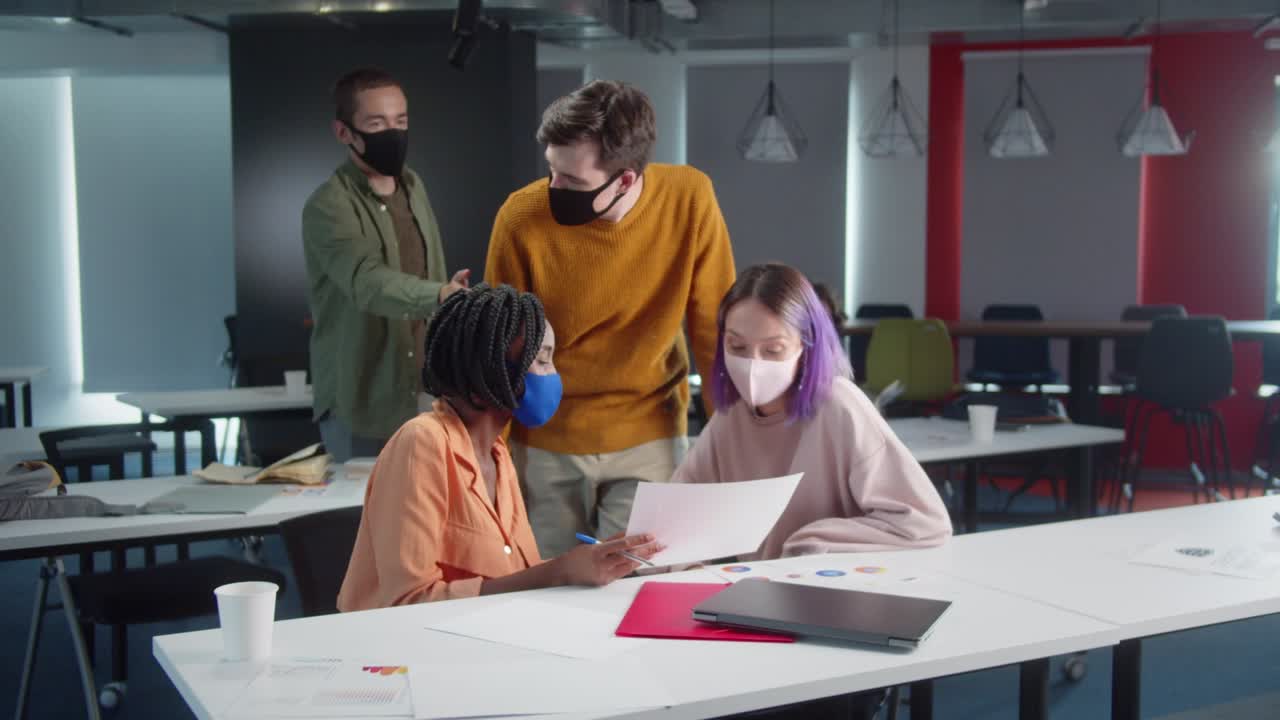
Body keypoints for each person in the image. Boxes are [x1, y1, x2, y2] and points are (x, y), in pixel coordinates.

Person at [485, 79, 736, 558]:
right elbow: (501, 348)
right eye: (551, 171)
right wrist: (492, 454)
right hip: (547, 438)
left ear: (624, 179)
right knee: (547, 580)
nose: (554, 189)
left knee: (636, 575)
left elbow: (715, 330)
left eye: (571, 180)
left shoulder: (690, 198)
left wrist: (732, 440)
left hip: (650, 433)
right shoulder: (520, 216)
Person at [337, 284, 661, 611]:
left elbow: (510, 578)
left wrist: (593, 560)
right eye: (543, 360)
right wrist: (560, 571)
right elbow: (409, 601)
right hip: (405, 640)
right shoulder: (421, 442)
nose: (553, 375)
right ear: (490, 365)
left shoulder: (497, 454)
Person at [671, 263, 952, 559]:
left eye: (773, 350)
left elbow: (925, 524)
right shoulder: (731, 415)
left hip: (833, 581)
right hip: (764, 582)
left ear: (806, 348)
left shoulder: (839, 405)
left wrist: (817, 538)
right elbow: (677, 513)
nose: (753, 364)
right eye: (737, 346)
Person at [303, 66, 470, 462]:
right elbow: (367, 282)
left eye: (401, 121)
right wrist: (440, 294)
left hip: (425, 395)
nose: (393, 133)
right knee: (362, 503)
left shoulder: (413, 187)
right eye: (377, 123)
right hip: (362, 401)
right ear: (344, 132)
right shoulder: (328, 205)